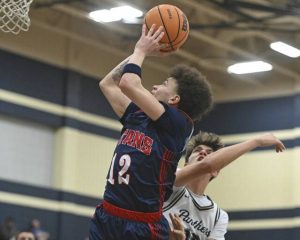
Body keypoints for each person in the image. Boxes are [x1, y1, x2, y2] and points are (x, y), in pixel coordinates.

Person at [89, 23, 213, 240]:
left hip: (142, 225)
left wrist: (142, 50)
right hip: (108, 213)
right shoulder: (137, 115)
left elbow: (128, 83)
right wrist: (138, 53)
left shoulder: (179, 124)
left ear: (174, 100)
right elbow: (108, 84)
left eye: (164, 84)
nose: (155, 86)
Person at [164, 131, 285, 240]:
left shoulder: (219, 216)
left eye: (210, 153)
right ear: (186, 165)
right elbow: (207, 165)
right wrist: (257, 141)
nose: (203, 152)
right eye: (197, 150)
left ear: (216, 171)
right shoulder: (171, 180)